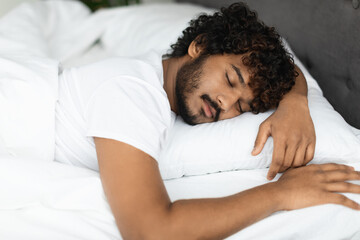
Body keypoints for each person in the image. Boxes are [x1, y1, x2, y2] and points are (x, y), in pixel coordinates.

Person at [54, 2, 360, 239]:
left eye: (243, 106)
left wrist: (295, 103)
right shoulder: (132, 93)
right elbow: (150, 231)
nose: (227, 103)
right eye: (230, 78)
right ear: (198, 47)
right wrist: (281, 193)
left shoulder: (156, 77)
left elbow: (290, 71)